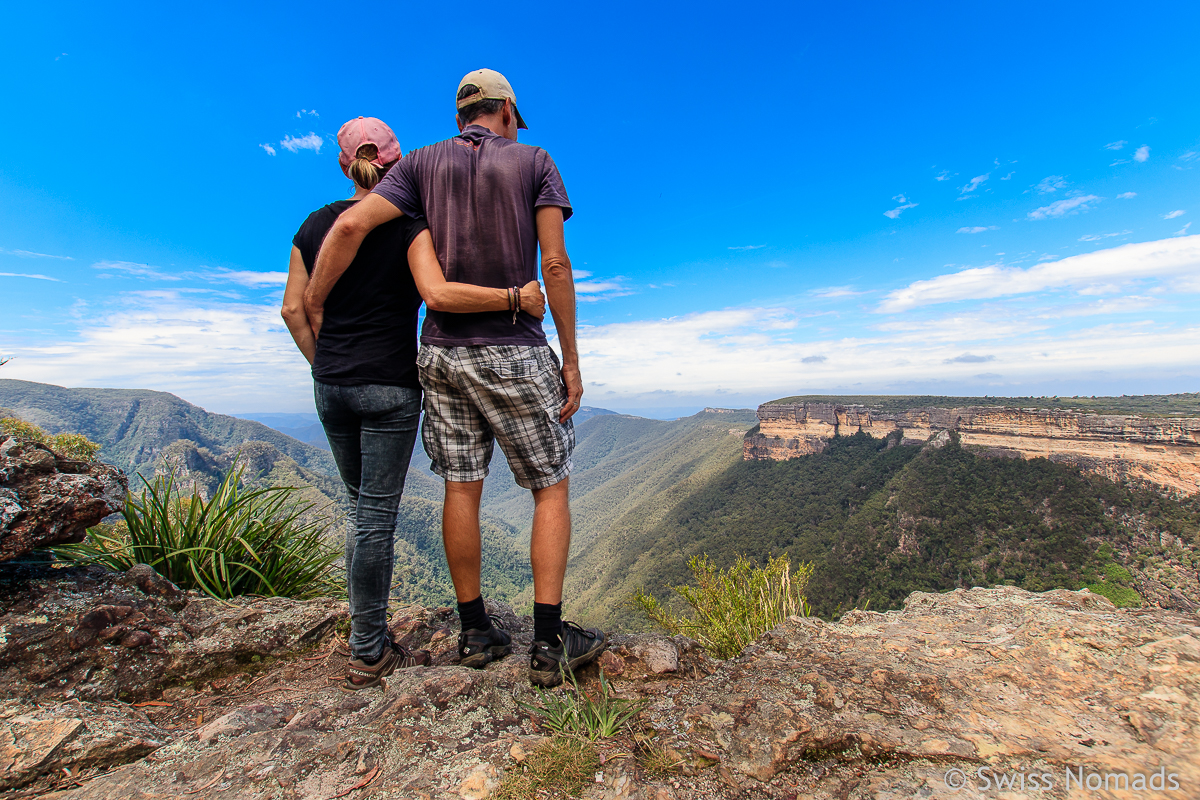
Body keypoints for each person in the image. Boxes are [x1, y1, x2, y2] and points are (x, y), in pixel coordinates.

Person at [304, 70, 604, 688]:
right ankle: (548, 643)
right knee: (549, 487)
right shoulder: (535, 161)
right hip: (514, 348)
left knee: (461, 488)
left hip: (440, 353)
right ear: (509, 112)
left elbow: (350, 226)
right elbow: (554, 262)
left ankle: (475, 632)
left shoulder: (417, 166)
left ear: (462, 115)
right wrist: (570, 360)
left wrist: (314, 304)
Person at [281, 115, 546, 691]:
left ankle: (367, 636)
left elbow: (292, 311)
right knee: (375, 518)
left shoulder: (311, 226)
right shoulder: (408, 225)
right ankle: (368, 650)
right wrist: (516, 298)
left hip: (331, 387)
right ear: (397, 159)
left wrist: (323, 363)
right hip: (391, 388)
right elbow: (437, 293)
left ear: (343, 163)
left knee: (358, 512)